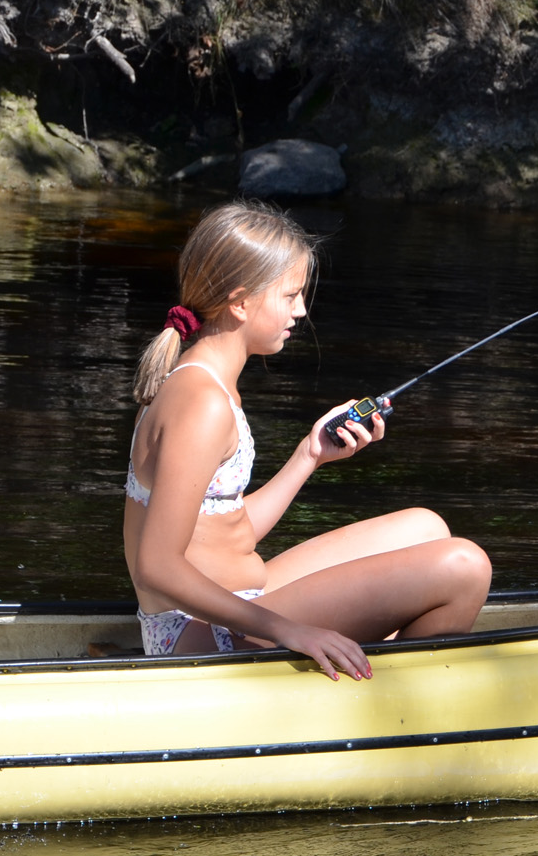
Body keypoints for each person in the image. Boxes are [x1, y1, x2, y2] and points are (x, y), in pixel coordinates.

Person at [122, 202, 492, 680]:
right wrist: (290, 631)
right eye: (291, 295)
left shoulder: (201, 381)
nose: (300, 310)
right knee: (465, 567)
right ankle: (390, 698)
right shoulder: (202, 404)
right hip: (202, 635)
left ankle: (369, 653)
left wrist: (310, 455)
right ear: (240, 302)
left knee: (426, 527)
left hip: (239, 603)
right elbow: (156, 567)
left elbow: (227, 531)